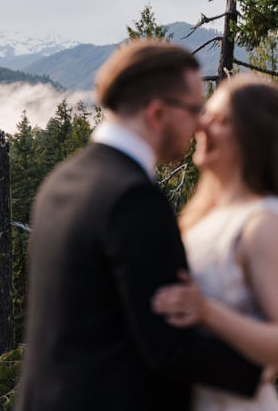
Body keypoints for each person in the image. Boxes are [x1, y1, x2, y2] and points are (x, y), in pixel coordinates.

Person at [15, 39, 262, 411]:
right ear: (157, 112)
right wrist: (259, 365)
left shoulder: (61, 182)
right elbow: (167, 348)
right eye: (194, 109)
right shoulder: (133, 199)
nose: (199, 124)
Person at [152, 73, 278, 410]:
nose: (201, 127)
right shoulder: (204, 216)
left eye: (219, 121)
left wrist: (206, 311)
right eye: (205, 115)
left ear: (255, 137)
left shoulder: (267, 222)